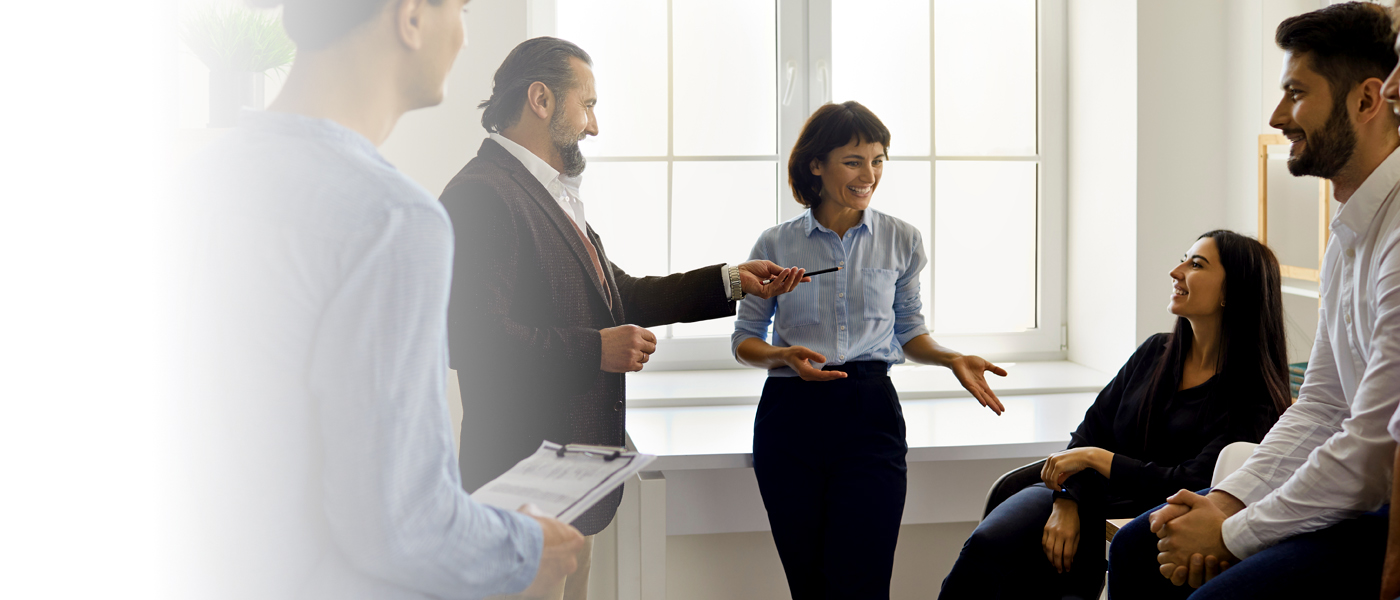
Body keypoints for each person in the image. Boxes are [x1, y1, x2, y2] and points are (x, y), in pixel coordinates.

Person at [173, 2, 584, 599]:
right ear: (411, 17)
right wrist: (528, 549)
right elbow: (402, 525)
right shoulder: (392, 219)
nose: (465, 39)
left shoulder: (194, 181)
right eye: (460, 10)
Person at [438, 37, 807, 600]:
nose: (593, 126)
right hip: (518, 494)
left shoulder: (549, 194)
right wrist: (597, 349)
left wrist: (732, 281)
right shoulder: (482, 195)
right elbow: (473, 341)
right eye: (586, 105)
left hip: (568, 491)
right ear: (541, 99)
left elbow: (619, 295)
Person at [1109, 4, 1400, 599]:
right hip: (1349, 490)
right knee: (1140, 544)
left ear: (1367, 101)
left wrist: (1233, 533)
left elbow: (1372, 449)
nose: (1277, 116)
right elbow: (1321, 405)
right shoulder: (1348, 233)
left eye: (1296, 93)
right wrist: (1223, 500)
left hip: (1384, 513)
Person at [730, 101, 1007, 600]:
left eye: (878, 160)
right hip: (791, 415)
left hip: (869, 412)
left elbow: (908, 331)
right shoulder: (776, 242)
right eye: (854, 160)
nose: (869, 174)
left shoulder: (902, 239)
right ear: (816, 164)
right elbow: (744, 339)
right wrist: (782, 356)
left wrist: (950, 359)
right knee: (809, 584)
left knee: (863, 581)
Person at [938, 231, 1289, 600]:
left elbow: (1191, 481)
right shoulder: (1155, 351)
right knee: (987, 547)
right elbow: (1090, 433)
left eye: (1196, 264)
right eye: (1183, 258)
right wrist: (1067, 500)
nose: (1176, 271)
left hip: (1153, 521)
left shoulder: (1255, 395)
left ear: (1231, 292)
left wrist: (1098, 459)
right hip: (1084, 493)